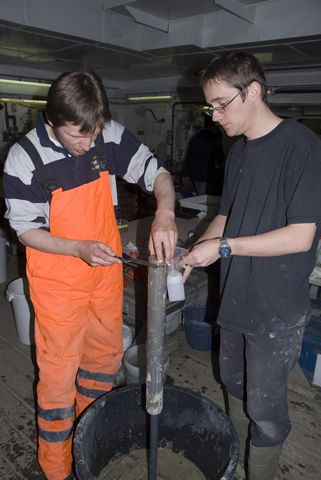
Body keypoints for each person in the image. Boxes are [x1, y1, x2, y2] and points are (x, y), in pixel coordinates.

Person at [3, 71, 177, 480]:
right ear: (51, 122)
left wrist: (166, 211)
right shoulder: (23, 158)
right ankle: (58, 467)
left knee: (103, 362)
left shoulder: (105, 134)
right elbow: (25, 230)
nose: (87, 144)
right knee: (59, 378)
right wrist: (77, 248)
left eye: (93, 134)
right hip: (58, 281)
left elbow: (158, 172)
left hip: (103, 276)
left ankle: (90, 441)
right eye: (76, 136)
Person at [179, 51, 321, 480]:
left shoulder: (302, 146)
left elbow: (302, 235)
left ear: (254, 90)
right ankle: (235, 461)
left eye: (221, 103)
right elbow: (227, 215)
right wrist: (193, 252)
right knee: (234, 385)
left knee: (267, 408)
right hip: (236, 298)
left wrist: (223, 249)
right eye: (211, 106)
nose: (215, 115)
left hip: (276, 307)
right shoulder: (238, 152)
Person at [181, 126, 225, 196]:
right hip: (207, 175)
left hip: (195, 174)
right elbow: (220, 159)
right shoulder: (215, 140)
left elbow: (189, 158)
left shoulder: (195, 138)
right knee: (204, 197)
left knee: (197, 196)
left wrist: (185, 174)